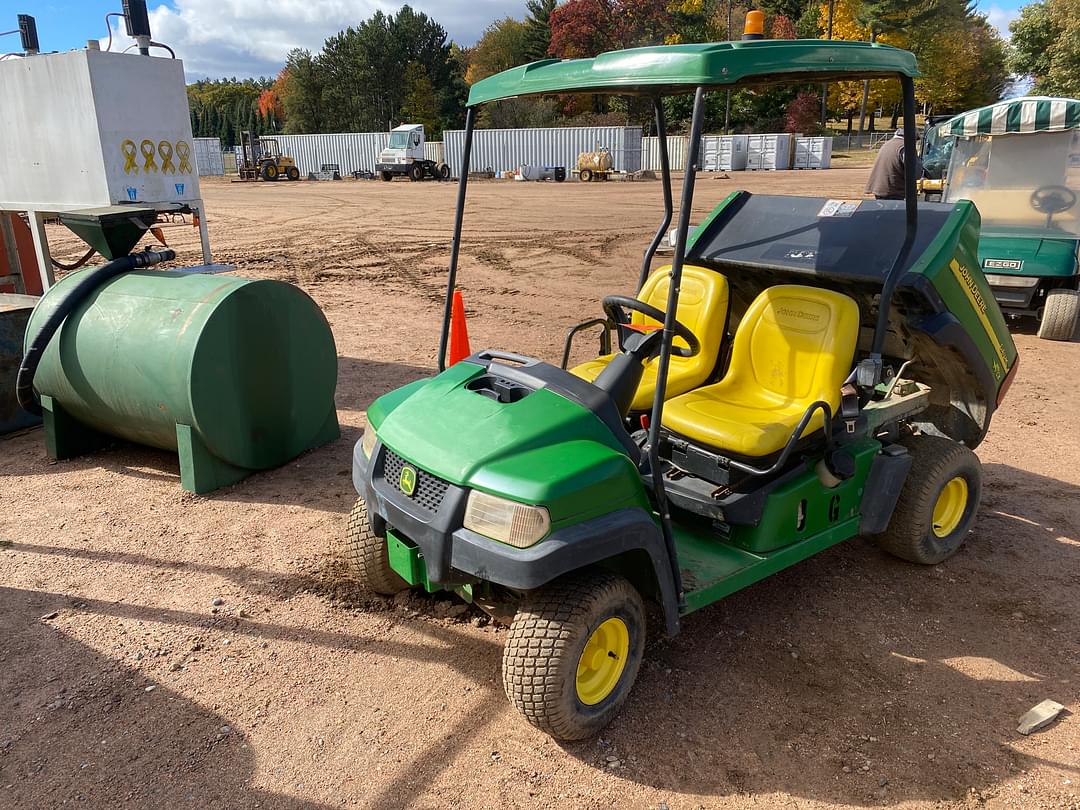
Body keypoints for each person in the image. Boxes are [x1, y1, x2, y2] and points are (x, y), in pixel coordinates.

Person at [866, 128, 923, 200]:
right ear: (912, 137)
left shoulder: (887, 144)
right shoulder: (905, 147)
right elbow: (915, 172)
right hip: (895, 191)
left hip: (880, 189)